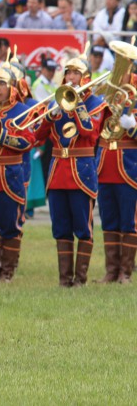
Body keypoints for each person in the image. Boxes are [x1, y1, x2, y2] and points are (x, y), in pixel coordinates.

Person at [33, 52, 105, 287]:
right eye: (68, 73)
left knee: (83, 227)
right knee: (61, 226)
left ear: (85, 77)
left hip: (81, 171)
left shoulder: (96, 103)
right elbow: (37, 137)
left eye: (76, 73)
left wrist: (77, 103)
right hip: (57, 172)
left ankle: (80, 279)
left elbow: (89, 132)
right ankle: (65, 280)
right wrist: (49, 116)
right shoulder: (58, 100)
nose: (71, 77)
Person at [0, 64, 34, 283]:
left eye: (1, 84)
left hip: (10, 173)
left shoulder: (21, 111)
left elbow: (28, 141)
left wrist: (4, 136)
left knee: (10, 224)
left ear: (11, 87)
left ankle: (8, 271)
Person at [96, 78, 137, 285]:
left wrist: (133, 128)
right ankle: (111, 271)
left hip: (128, 169)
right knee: (109, 221)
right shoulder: (108, 97)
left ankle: (125, 273)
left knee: (128, 222)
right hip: (105, 167)